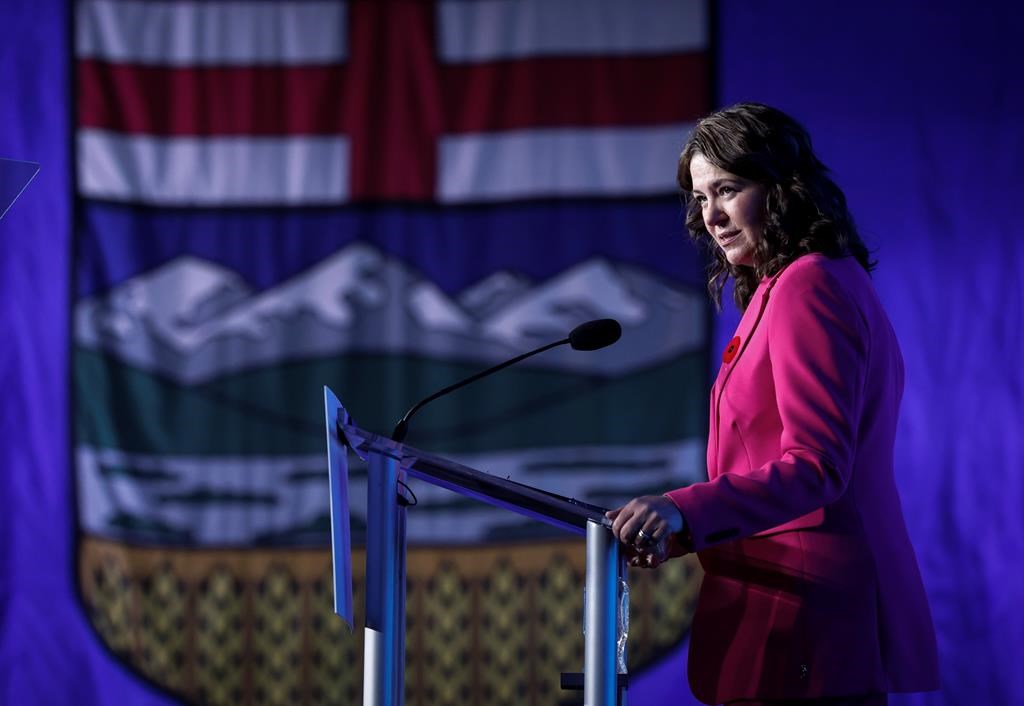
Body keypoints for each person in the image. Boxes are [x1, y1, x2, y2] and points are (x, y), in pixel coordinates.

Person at [606, 103, 939, 706]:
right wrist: (681, 531)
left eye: (728, 190)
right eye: (700, 198)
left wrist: (682, 508)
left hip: (811, 616)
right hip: (792, 603)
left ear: (781, 188)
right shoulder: (790, 285)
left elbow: (818, 466)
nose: (710, 216)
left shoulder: (808, 286)